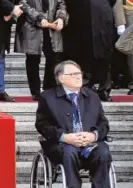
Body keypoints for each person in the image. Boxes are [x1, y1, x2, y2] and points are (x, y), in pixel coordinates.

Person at [35, 60, 112, 188]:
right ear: (61, 78)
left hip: (90, 144)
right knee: (69, 152)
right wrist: (65, 137)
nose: (78, 76)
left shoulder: (92, 96)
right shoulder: (47, 97)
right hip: (62, 145)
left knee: (103, 152)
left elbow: (103, 123)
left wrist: (94, 135)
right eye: (73, 74)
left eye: (79, 73)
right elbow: (42, 125)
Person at [63, 0, 120, 102]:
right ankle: (85, 90)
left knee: (104, 58)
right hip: (81, 27)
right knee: (83, 58)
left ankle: (104, 90)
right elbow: (69, 2)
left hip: (103, 26)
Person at [14, 0, 67, 101]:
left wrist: (61, 17)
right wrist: (39, 18)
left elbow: (61, 2)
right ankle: (36, 91)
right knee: (33, 60)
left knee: (53, 57)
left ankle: (49, 87)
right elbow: (24, 5)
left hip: (51, 27)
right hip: (32, 27)